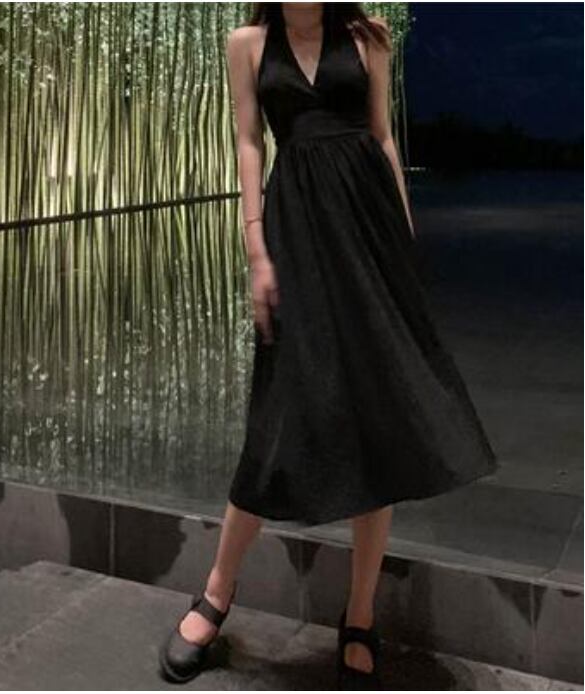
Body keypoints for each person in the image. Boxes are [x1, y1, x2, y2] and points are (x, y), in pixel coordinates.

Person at [159, 3, 498, 689]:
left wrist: (402, 243)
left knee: (379, 414)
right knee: (278, 413)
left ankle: (360, 614)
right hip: (295, 227)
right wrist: (257, 250)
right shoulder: (247, 43)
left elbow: (382, 138)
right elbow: (249, 142)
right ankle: (217, 592)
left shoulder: (368, 36)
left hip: (367, 231)